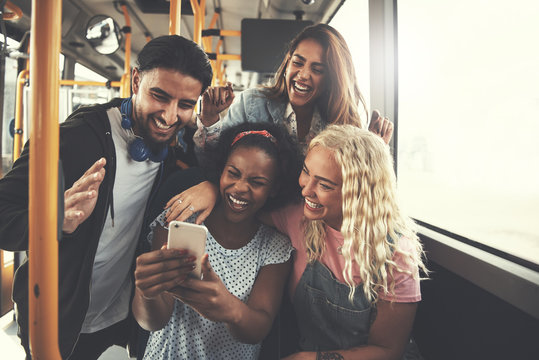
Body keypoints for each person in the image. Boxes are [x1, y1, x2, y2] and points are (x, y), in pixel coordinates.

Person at [0, 35, 212, 359]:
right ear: (136, 80)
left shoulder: (174, 156)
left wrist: (210, 187)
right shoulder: (73, 139)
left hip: (119, 316)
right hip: (56, 317)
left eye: (185, 105)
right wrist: (57, 221)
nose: (170, 116)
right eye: (160, 96)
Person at [169, 125, 427, 359]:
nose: (305, 190)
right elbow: (244, 200)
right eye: (306, 172)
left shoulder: (396, 253)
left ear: (358, 194)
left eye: (324, 185)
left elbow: (387, 351)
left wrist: (308, 359)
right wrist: (212, 188)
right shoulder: (298, 216)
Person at [132, 123, 302, 359]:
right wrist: (146, 292)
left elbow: (258, 328)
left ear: (274, 188)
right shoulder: (181, 219)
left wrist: (228, 307)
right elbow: (152, 321)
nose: (240, 188)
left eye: (257, 182)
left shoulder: (274, 246)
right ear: (221, 170)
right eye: (233, 173)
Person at [194, 23, 393, 163]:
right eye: (298, 62)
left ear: (331, 79)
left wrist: (374, 150)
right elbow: (215, 162)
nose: (303, 75)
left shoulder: (341, 124)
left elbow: (350, 186)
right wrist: (210, 120)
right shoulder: (251, 103)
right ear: (288, 62)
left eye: (317, 69)